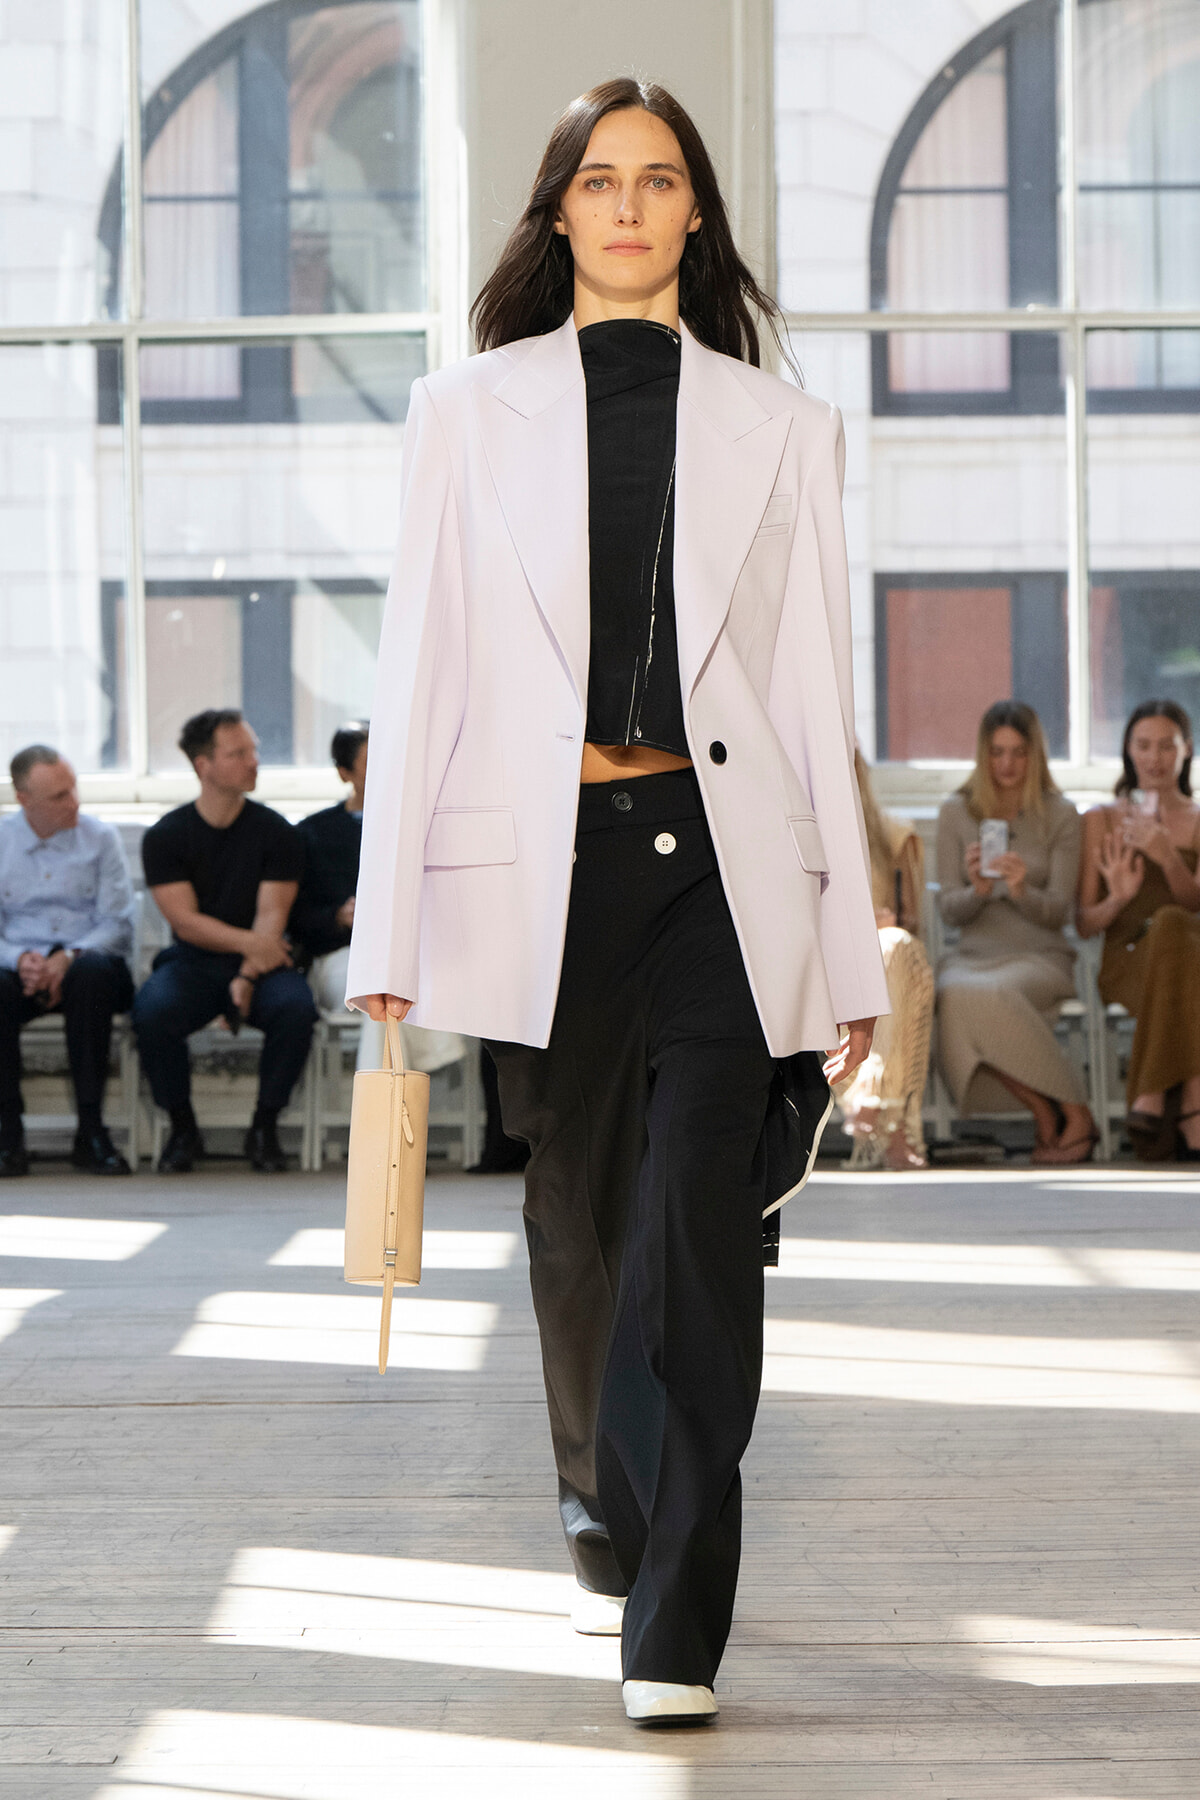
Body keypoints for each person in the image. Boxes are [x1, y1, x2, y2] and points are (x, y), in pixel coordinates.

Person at [345, 80, 885, 1727]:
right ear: (561, 211)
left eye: (661, 182)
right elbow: (423, 665)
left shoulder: (781, 428)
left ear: (697, 216)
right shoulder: (466, 412)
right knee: (576, 1218)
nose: (632, 206)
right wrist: (385, 940)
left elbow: (813, 698)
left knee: (695, 1230)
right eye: (601, 180)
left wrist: (846, 937)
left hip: (723, 866)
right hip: (548, 874)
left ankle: (677, 1620)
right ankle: (602, 1485)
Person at [131, 709, 317, 1174]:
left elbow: (272, 916)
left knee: (296, 1009)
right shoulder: (166, 836)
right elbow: (188, 923)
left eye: (253, 751)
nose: (254, 762)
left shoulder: (278, 832)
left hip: (264, 960)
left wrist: (248, 974)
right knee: (153, 1012)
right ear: (203, 766)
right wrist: (245, 959)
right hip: (194, 960)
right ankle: (181, 1128)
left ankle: (264, 1127)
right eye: (238, 753)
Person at [936, 701, 1096, 1163]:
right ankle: (1058, 1113)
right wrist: (981, 890)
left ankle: (1068, 1114)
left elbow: (1061, 912)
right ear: (983, 755)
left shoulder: (1060, 814)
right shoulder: (956, 812)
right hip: (972, 955)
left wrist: (1023, 890)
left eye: (1019, 752)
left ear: (1036, 755)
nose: (1007, 764)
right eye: (997, 752)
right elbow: (950, 910)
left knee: (987, 996)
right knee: (958, 993)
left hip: (1040, 955)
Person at [292, 722, 465, 1077]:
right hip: (342, 954)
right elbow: (296, 918)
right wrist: (338, 917)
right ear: (345, 773)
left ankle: (382, 1104)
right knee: (381, 987)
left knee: (398, 979)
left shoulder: (419, 825)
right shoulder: (312, 833)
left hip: (413, 949)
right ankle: (394, 1094)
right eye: (373, 761)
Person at [0, 745, 136, 1177]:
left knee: (91, 974)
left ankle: (92, 1132)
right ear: (24, 800)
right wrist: (21, 958)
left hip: (89, 964)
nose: (73, 802)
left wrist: (68, 958)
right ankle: (8, 1136)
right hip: (19, 972)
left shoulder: (101, 838)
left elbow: (118, 923)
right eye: (59, 796)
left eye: (73, 789)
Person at [1077, 698, 1200, 1160]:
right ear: (1128, 751)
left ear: (1186, 750)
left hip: (1188, 961)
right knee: (1172, 929)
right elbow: (1084, 923)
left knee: (1173, 922)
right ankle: (1192, 1103)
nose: (1155, 758)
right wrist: (1119, 898)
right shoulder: (1100, 819)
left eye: (1166, 746)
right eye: (1143, 746)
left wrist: (1167, 856)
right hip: (1127, 961)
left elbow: (1196, 905)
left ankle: (1154, 1099)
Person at [834, 748, 933, 1168]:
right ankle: (895, 1127)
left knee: (895, 950)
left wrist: (878, 927)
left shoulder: (894, 839)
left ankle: (872, 1102)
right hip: (825, 964)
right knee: (897, 968)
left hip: (882, 963)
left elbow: (912, 925)